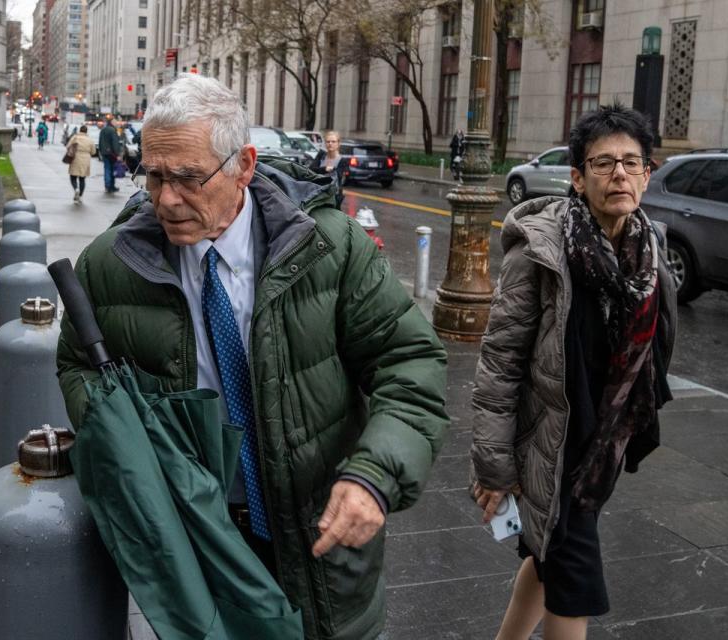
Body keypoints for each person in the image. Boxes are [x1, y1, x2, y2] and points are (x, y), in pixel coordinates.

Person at [56, 73, 449, 639]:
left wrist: (373, 475)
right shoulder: (110, 263)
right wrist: (121, 440)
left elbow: (408, 361)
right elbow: (75, 363)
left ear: (243, 165)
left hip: (322, 540)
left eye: (188, 178)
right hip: (198, 540)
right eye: (155, 175)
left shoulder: (329, 247)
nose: (167, 199)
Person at [470, 104, 677, 640]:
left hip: (600, 445)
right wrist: (494, 465)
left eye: (632, 163)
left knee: (547, 562)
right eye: (604, 163)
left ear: (648, 175)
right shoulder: (541, 252)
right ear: (578, 179)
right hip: (547, 443)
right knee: (575, 581)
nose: (620, 175)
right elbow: (500, 362)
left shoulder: (650, 252)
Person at [310, 130, 349, 205]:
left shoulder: (342, 160)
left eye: (333, 141)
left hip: (333, 198)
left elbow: (337, 177)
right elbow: (311, 170)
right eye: (328, 142)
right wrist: (324, 169)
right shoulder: (321, 156)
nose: (330, 144)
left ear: (338, 143)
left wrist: (323, 171)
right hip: (317, 195)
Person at [65, 124, 97, 204]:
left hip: (76, 157)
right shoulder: (89, 140)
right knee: (82, 178)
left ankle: (76, 188)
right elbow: (93, 152)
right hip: (85, 159)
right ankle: (81, 196)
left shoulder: (75, 137)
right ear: (86, 131)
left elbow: (68, 146)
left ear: (80, 130)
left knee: (73, 176)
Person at [97, 118, 122, 193]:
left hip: (105, 153)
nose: (116, 123)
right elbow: (115, 143)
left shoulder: (103, 130)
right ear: (111, 122)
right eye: (115, 122)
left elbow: (100, 142)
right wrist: (118, 154)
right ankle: (111, 186)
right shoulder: (112, 130)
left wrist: (101, 151)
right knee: (111, 170)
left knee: (107, 169)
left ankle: (107, 185)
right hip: (112, 154)